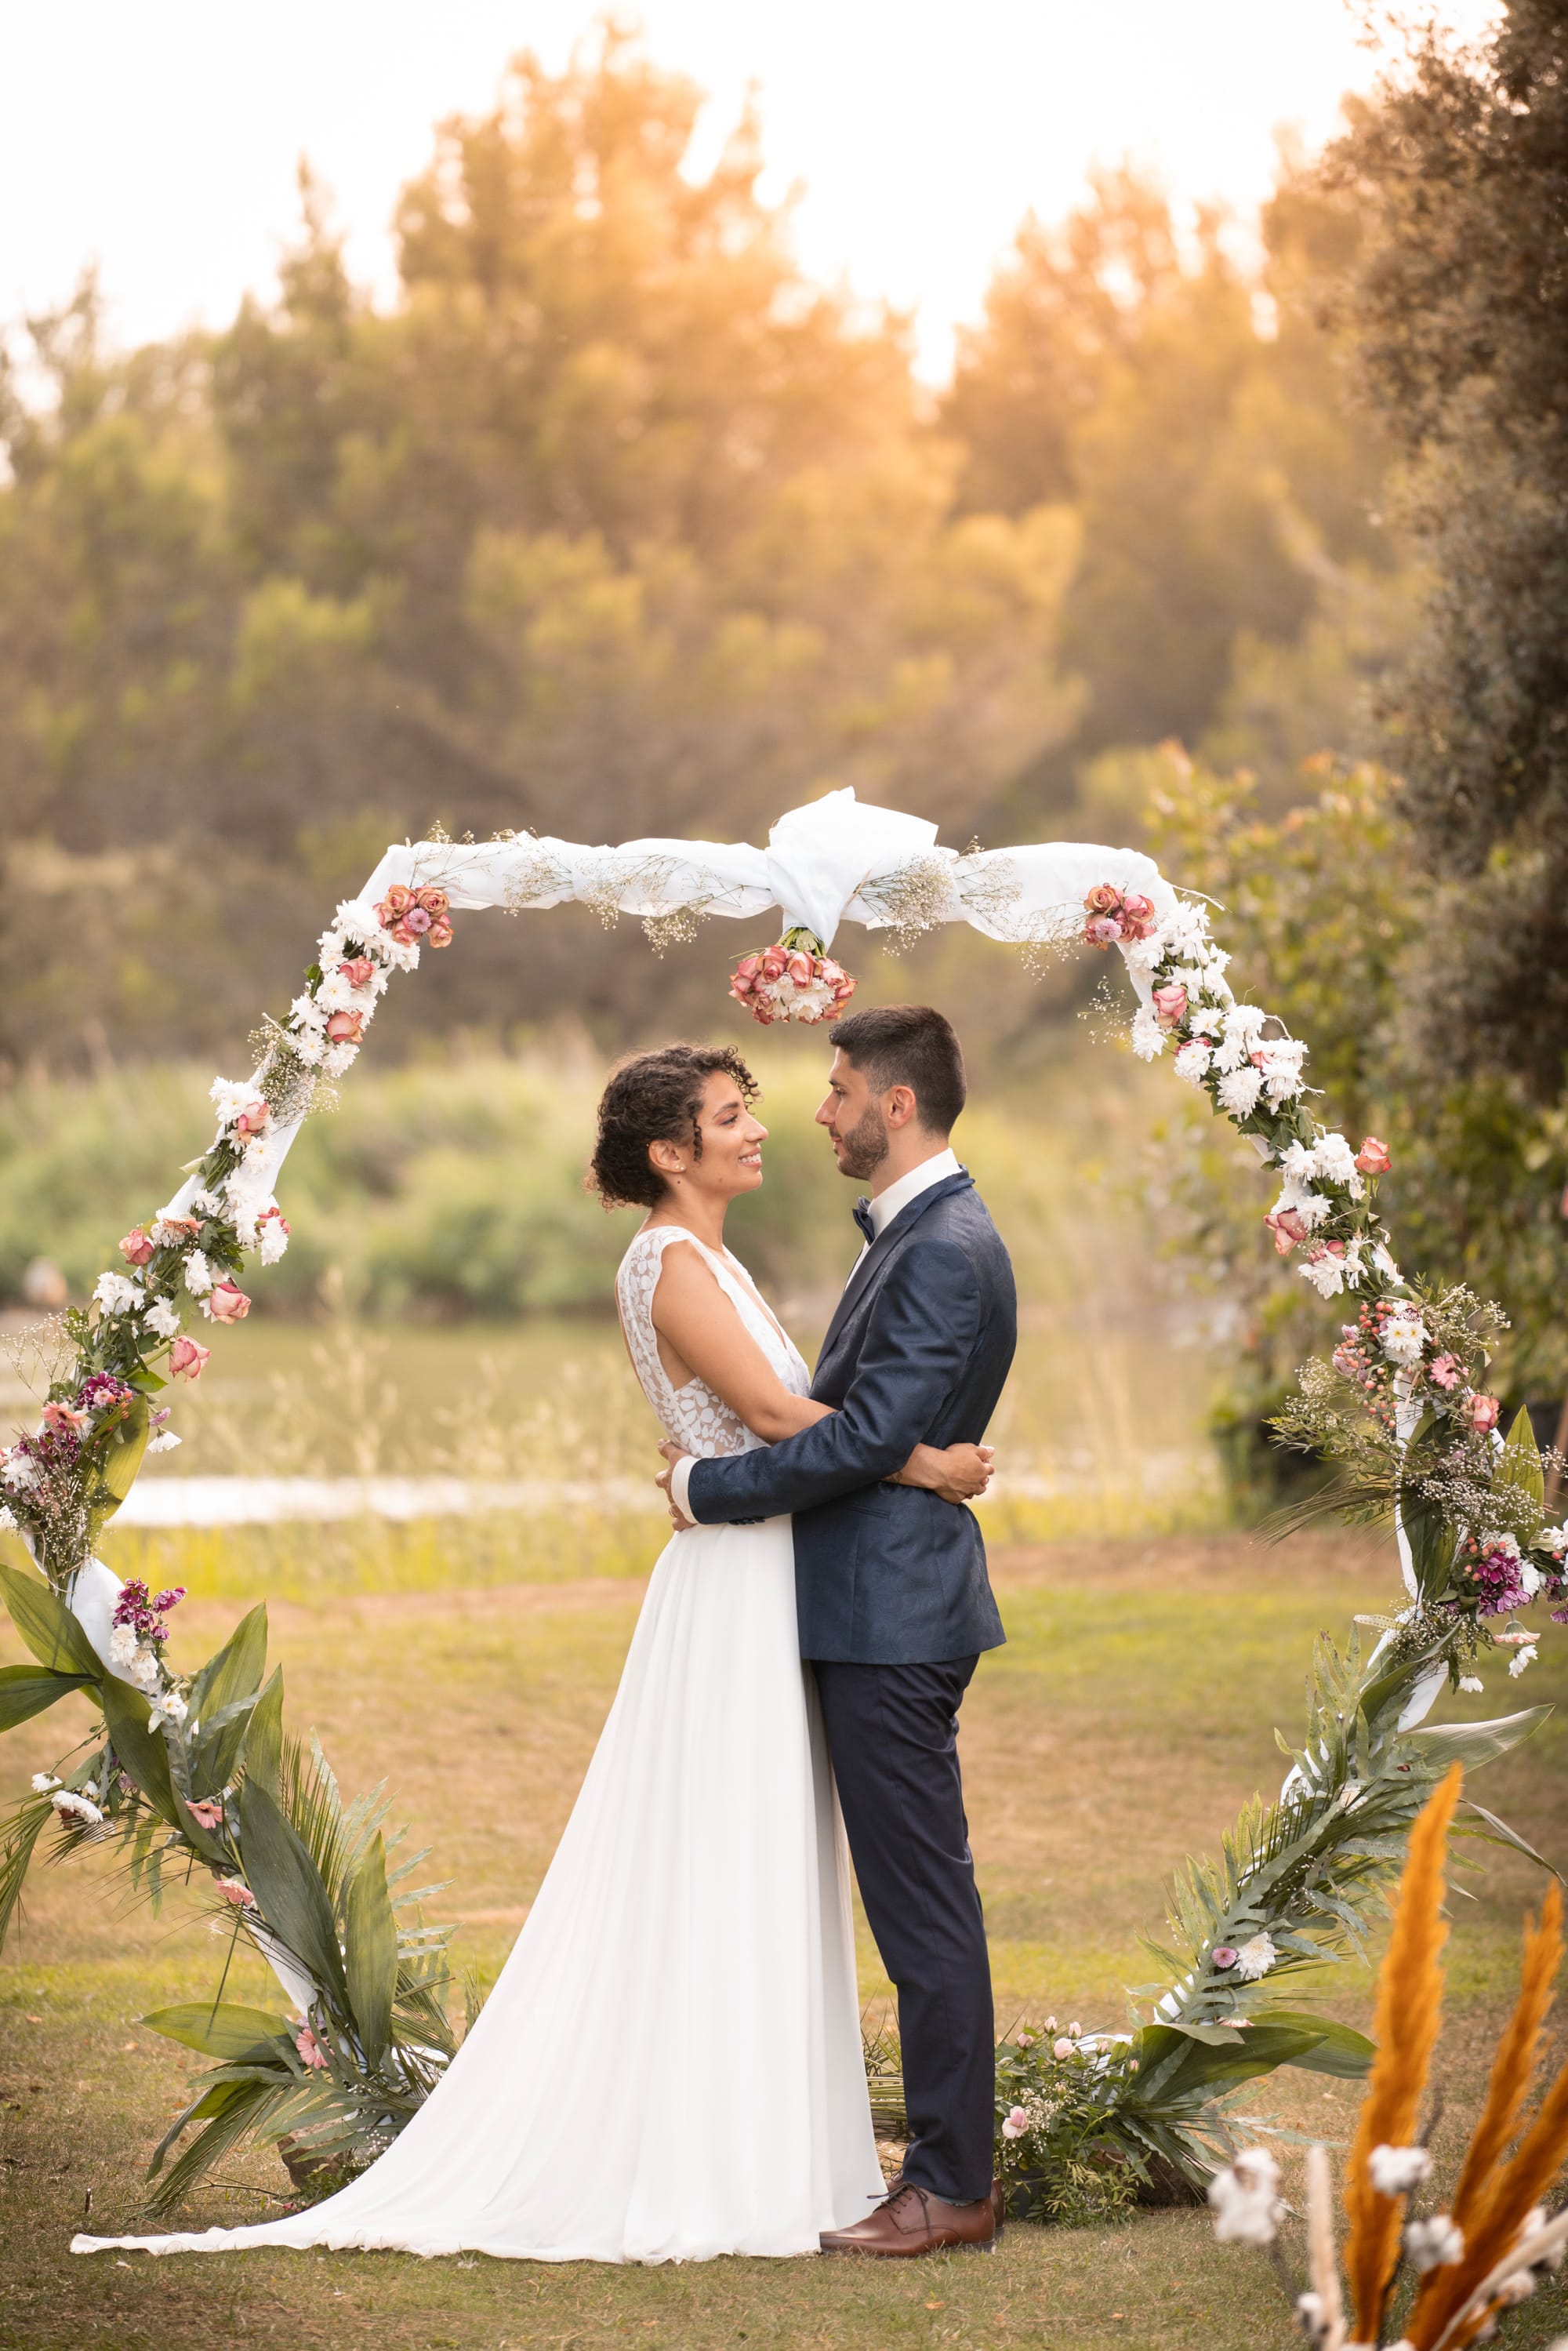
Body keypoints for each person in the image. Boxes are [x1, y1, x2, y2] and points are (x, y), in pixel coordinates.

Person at [74, 1041, 993, 2266]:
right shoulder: (669, 1260)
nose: (759, 1129)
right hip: (733, 1588)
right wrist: (922, 1460)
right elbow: (780, 1418)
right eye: (731, 1116)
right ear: (671, 1152)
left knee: (760, 1854)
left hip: (776, 1580)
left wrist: (722, 1475)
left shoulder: (713, 1255)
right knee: (722, 1852)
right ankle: (705, 2146)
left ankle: (773, 2134)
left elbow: (793, 1421)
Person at [659, 1004, 1016, 2258]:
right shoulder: (921, 1232)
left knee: (921, 1903)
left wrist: (705, 1490)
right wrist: (915, 1459)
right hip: (875, 1602)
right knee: (911, 1896)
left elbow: (858, 1440)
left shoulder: (939, 1247)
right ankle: (925, 2165)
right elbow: (876, 1432)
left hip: (891, 1615)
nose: (820, 1110)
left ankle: (951, 2183)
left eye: (838, 1088)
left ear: (896, 1104)